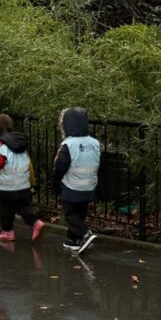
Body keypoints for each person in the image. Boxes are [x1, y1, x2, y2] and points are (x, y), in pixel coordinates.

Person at [0, 114, 46, 242]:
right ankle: (35, 222)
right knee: (23, 206)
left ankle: (8, 232)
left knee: (6, 209)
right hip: (23, 183)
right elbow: (28, 164)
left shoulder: (0, 144)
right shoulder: (20, 143)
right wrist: (32, 182)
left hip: (6, 185)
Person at [54, 107, 100, 253]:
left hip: (72, 186)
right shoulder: (94, 143)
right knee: (80, 213)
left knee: (70, 214)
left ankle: (85, 235)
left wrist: (56, 185)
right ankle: (73, 240)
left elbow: (60, 167)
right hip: (90, 185)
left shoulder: (69, 144)